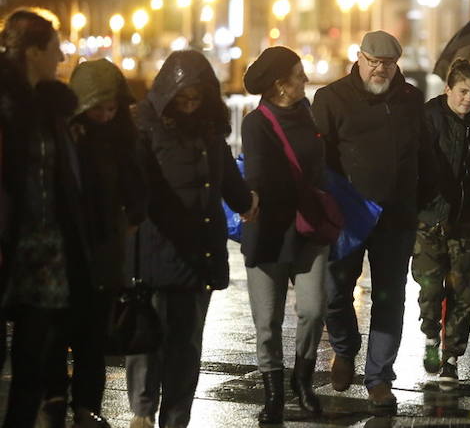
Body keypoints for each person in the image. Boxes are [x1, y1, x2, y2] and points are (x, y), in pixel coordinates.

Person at [127, 50, 257, 428]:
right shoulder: (145, 127)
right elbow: (135, 184)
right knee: (149, 338)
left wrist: (246, 202)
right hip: (158, 249)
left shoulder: (209, 129)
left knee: (185, 345)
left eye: (195, 98)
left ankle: (175, 419)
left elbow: (226, 174)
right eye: (181, 98)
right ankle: (142, 411)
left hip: (199, 252)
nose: (188, 105)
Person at [311, 31, 428, 412]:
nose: (380, 69)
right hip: (347, 215)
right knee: (334, 292)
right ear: (359, 58)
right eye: (374, 61)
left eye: (388, 63)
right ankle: (345, 348)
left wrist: (420, 203)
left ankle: (379, 378)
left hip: (396, 215)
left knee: (389, 297)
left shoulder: (410, 100)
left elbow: (424, 154)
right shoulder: (331, 98)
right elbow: (319, 158)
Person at [37, 60, 147, 428]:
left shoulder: (121, 139)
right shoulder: (63, 137)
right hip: (64, 251)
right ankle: (54, 399)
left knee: (93, 336)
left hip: (101, 254)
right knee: (56, 331)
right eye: (98, 108)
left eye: (112, 109)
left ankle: (86, 407)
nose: (105, 116)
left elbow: (136, 191)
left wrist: (127, 223)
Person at [0, 9, 92, 428]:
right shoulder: (7, 105)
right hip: (7, 246)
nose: (62, 58)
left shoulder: (53, 109)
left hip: (45, 254)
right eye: (55, 48)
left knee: (33, 363)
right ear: (33, 52)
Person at [240, 47, 329, 422]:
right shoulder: (255, 123)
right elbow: (257, 173)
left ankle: (302, 380)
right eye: (298, 74)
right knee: (267, 322)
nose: (305, 79)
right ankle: (273, 394)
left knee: (313, 309)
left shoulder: (307, 112)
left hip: (309, 226)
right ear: (279, 84)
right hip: (269, 230)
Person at [413, 59, 470, 383]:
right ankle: (431, 335)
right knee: (430, 287)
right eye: (463, 91)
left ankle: (452, 359)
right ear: (448, 88)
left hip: (467, 220)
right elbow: (415, 162)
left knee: (463, 291)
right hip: (430, 218)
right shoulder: (429, 117)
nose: (468, 99)